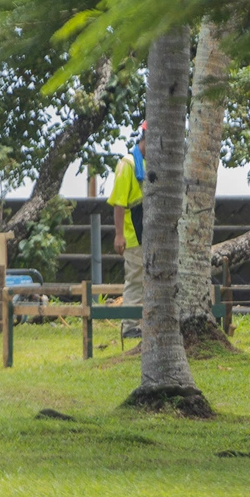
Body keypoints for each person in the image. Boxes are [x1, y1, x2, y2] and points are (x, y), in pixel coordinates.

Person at [106, 121, 146, 339]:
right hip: (133, 233)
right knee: (135, 279)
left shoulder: (153, 162)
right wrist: (119, 234)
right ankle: (129, 326)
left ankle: (142, 323)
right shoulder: (128, 164)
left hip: (149, 233)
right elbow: (119, 203)